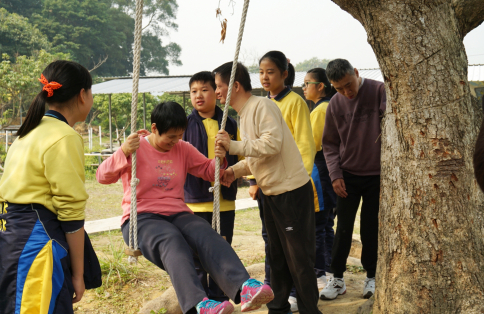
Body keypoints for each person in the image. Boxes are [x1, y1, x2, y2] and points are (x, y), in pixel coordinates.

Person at [96, 102, 273, 314]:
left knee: (205, 233)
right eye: (170, 136)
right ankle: (199, 304)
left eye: (179, 135)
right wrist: (124, 151)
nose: (175, 141)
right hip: (141, 218)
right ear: (154, 128)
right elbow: (102, 177)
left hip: (177, 213)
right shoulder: (135, 148)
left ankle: (244, 287)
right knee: (171, 238)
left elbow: (208, 171)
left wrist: (220, 158)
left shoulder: (182, 148)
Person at [214, 61, 322, 314]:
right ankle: (278, 308)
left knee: (299, 259)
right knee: (276, 256)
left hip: (291, 193)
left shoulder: (263, 105)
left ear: (235, 86)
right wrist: (233, 171)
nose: (217, 92)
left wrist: (232, 146)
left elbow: (271, 144)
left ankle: (309, 310)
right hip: (272, 193)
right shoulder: (244, 114)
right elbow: (257, 157)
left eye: (219, 87)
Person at [0, 60, 101, 314]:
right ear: (82, 95)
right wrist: (78, 274)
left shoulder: (27, 132)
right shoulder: (65, 136)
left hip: (11, 238)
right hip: (38, 243)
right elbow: (72, 214)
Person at [319, 59, 386, 300]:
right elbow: (330, 144)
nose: (347, 92)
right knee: (342, 228)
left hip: (377, 176)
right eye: (339, 88)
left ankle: (372, 276)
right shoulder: (335, 104)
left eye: (349, 84)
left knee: (371, 228)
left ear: (356, 73)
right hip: (346, 177)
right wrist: (335, 175)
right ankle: (336, 278)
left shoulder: (380, 91)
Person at [258, 51, 319, 312]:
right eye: (261, 72)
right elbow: (257, 147)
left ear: (284, 74)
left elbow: (305, 144)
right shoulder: (261, 104)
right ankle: (278, 302)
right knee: (274, 248)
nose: (264, 77)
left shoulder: (295, 102)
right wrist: (253, 180)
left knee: (297, 251)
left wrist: (300, 181)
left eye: (270, 72)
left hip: (291, 188)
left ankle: (306, 304)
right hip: (267, 187)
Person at [183, 71, 243, 302]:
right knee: (196, 258)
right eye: (193, 91)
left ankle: (221, 302)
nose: (198, 96)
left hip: (224, 201)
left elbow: (240, 156)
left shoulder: (229, 122)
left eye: (204, 90)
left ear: (216, 93)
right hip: (194, 202)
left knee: (221, 255)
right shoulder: (186, 124)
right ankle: (202, 303)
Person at [303, 67, 338, 281]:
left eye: (308, 83)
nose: (304, 87)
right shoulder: (330, 105)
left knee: (318, 225)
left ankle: (321, 272)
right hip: (329, 169)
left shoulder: (319, 111)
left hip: (319, 169)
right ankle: (331, 270)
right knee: (326, 224)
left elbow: (312, 144)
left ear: (321, 86)